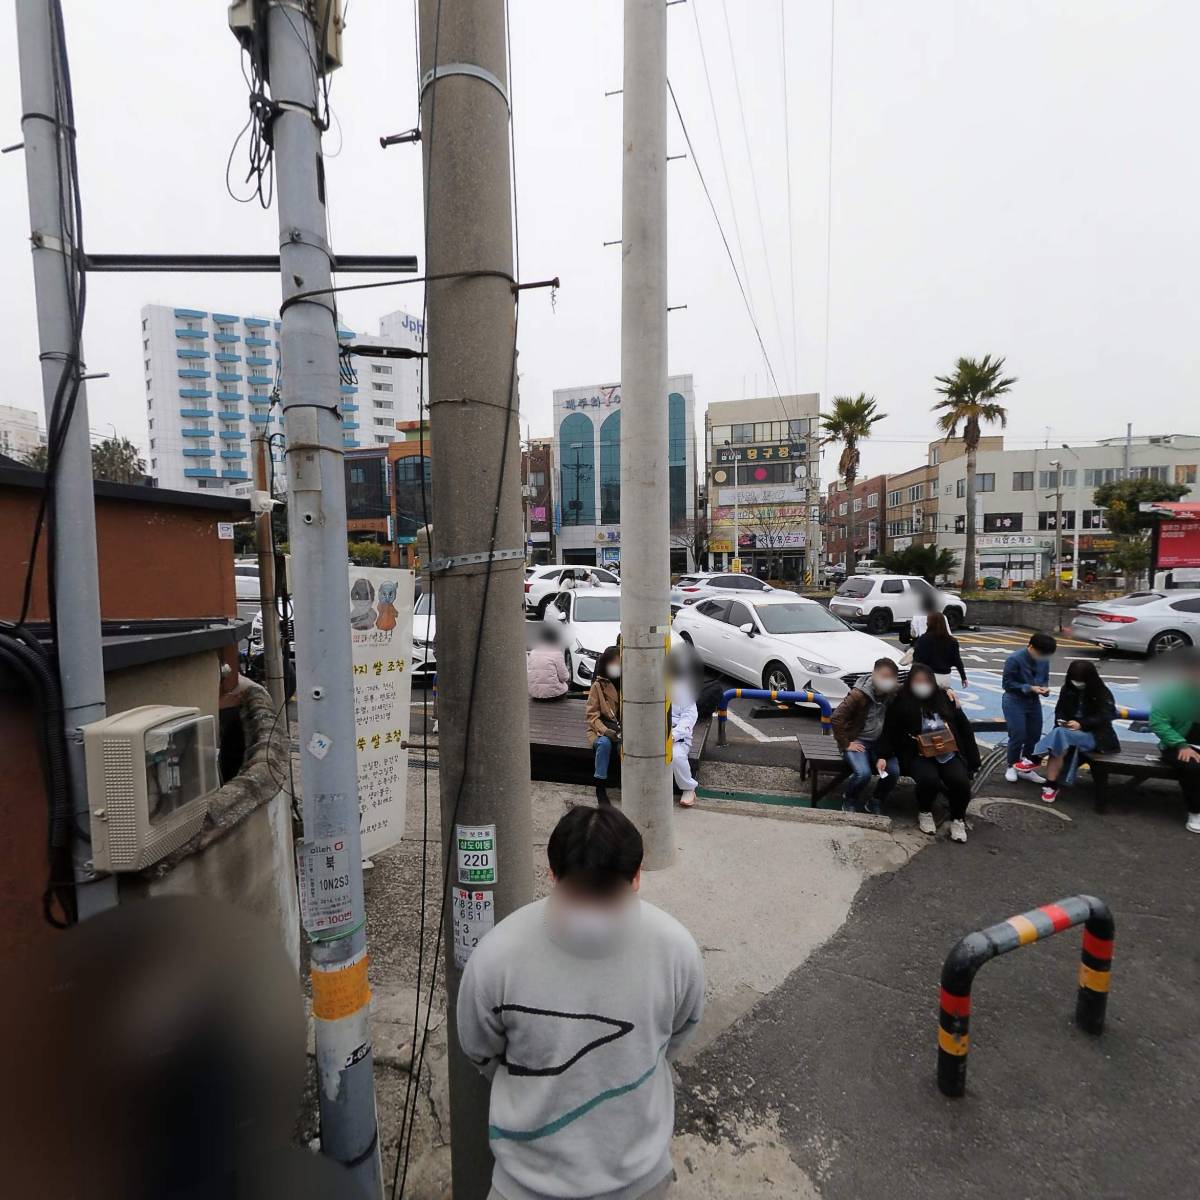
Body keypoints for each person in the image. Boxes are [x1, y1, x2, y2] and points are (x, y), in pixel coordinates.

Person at [457, 804, 705, 1200]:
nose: (592, 910)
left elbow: (482, 1053)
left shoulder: (675, 952)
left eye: (605, 893)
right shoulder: (498, 957)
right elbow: (477, 1048)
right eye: (580, 892)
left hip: (628, 1184)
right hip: (533, 1186)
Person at [876, 663, 980, 841]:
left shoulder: (945, 698)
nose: (922, 685)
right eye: (917, 681)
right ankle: (924, 811)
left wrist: (973, 759)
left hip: (947, 751)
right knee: (928, 779)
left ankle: (958, 818)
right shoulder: (901, 701)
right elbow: (889, 730)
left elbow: (964, 728)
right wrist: (883, 755)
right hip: (917, 753)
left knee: (960, 782)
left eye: (926, 681)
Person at [1035, 660, 1120, 803]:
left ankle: (1037, 762)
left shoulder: (1101, 692)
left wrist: (1082, 724)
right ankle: (1050, 783)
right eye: (1074, 680)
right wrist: (1062, 721)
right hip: (1069, 733)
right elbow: (1060, 711)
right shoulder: (1067, 689)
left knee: (1059, 735)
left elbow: (1107, 716)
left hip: (1096, 736)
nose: (1076, 683)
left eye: (1080, 680)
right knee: (1059, 739)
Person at [831, 657, 902, 814]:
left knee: (893, 773)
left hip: (880, 743)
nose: (886, 681)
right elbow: (836, 718)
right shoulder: (858, 695)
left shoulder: (893, 692)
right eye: (883, 676)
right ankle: (849, 798)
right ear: (873, 674)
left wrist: (947, 691)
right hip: (858, 740)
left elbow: (916, 689)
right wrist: (846, 743)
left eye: (890, 678)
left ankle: (875, 800)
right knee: (863, 774)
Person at [1148, 647, 1200, 833]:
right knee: (1193, 767)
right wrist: (1181, 744)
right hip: (1177, 745)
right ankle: (1195, 811)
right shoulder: (1171, 695)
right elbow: (1158, 723)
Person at [1001, 632, 1057, 783]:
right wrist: (1029, 688)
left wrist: (1044, 689)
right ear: (1030, 646)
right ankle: (1011, 765)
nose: (1043, 657)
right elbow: (1007, 684)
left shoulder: (1043, 660)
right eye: (1041, 653)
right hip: (1014, 700)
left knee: (1034, 735)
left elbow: (1044, 679)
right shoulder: (1014, 659)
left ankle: (1026, 766)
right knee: (1017, 734)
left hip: (1033, 701)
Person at [586, 645, 622, 806]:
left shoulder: (627, 684)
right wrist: (605, 730)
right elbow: (591, 715)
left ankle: (624, 782)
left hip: (621, 729)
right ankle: (600, 787)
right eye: (615, 663)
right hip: (601, 728)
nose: (618, 666)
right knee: (604, 744)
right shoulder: (598, 686)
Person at [668, 643, 702, 808]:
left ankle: (689, 788)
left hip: (677, 735)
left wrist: (675, 734)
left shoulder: (683, 688)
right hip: (654, 731)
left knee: (677, 756)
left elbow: (689, 715)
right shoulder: (651, 685)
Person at [911, 611, 968, 689]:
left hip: (928, 676)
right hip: (946, 677)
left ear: (929, 623)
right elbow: (957, 661)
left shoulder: (924, 639)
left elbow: (917, 659)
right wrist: (963, 677)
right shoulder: (952, 641)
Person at [527, 624, 570, 701]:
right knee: (565, 687)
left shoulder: (533, 652)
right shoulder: (556, 653)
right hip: (554, 695)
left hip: (535, 694)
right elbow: (564, 677)